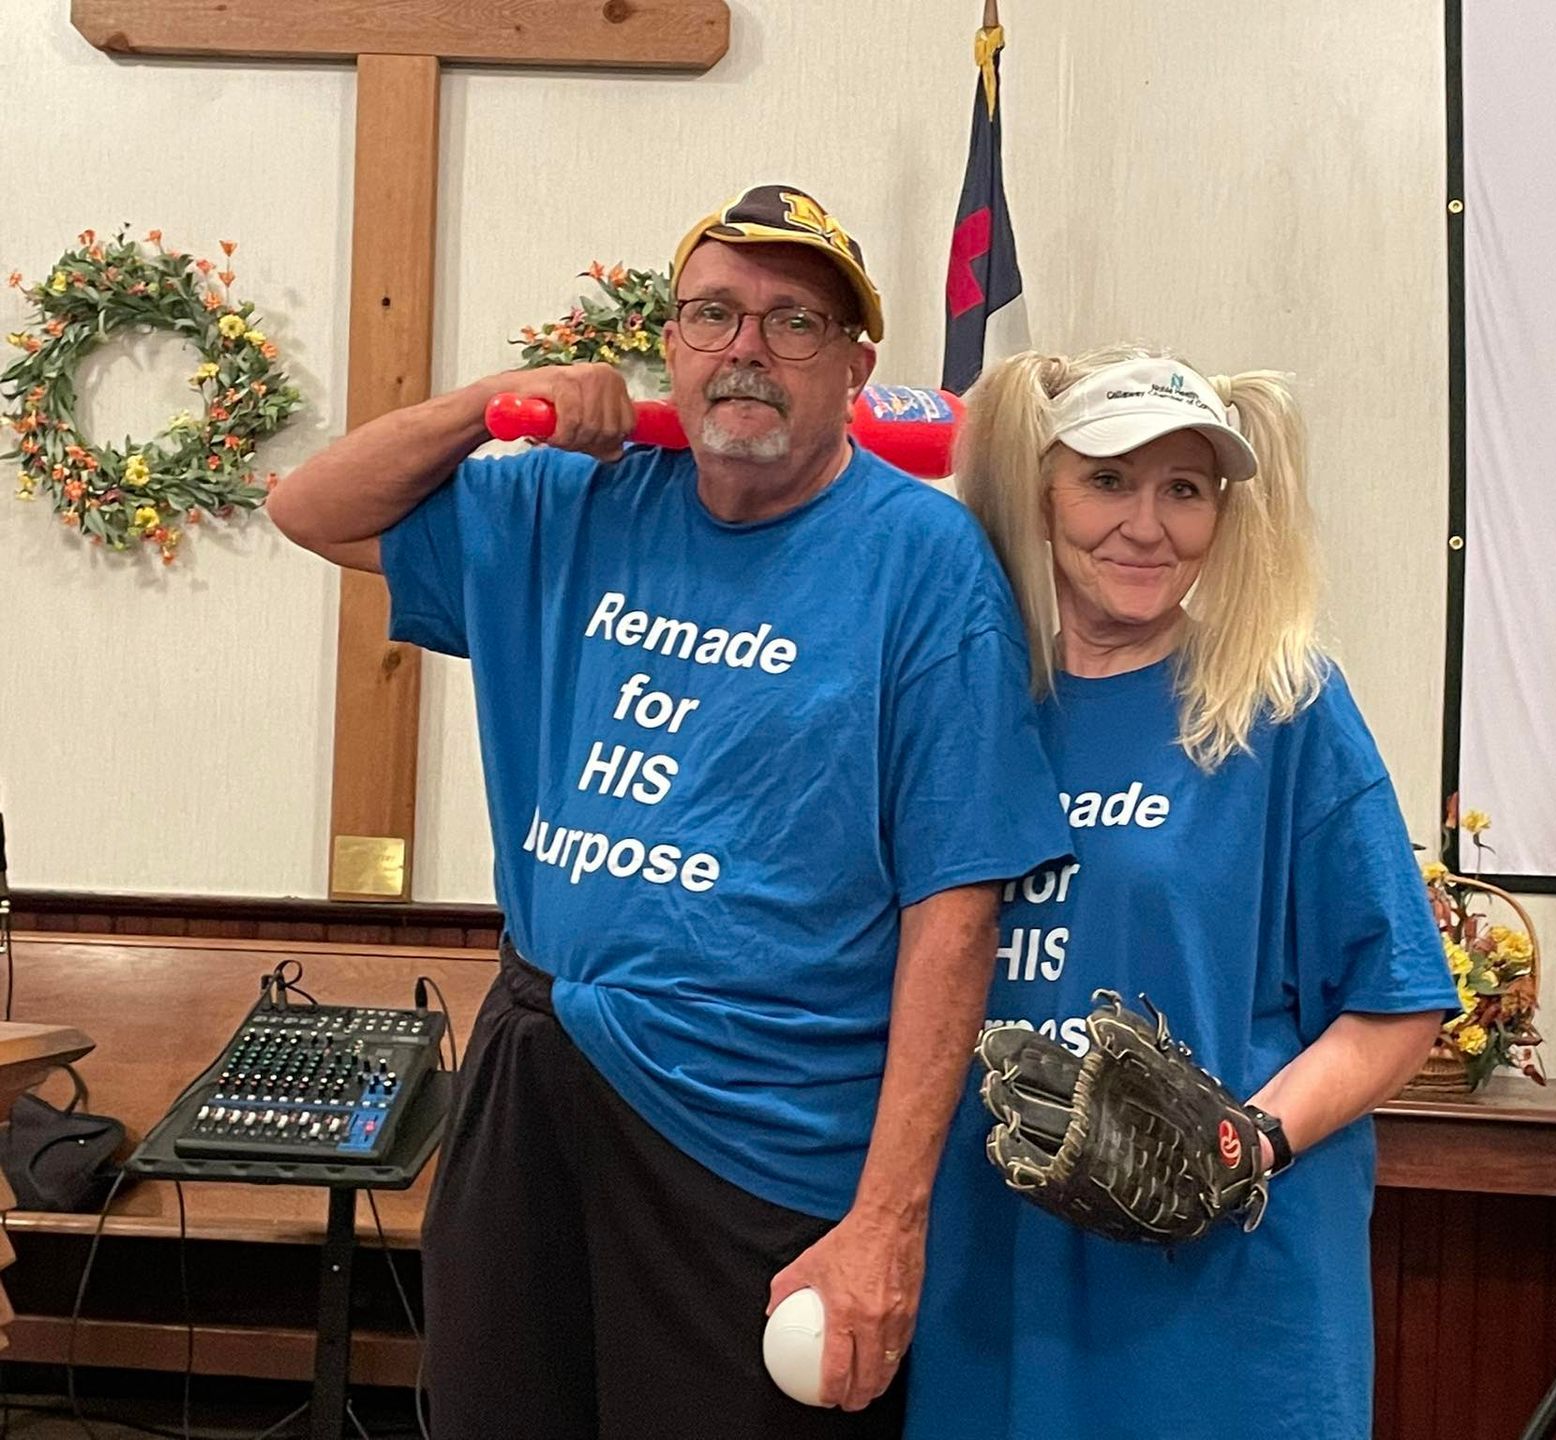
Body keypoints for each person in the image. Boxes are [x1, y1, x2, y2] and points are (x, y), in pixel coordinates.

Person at [266, 184, 1072, 1439]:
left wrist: (886, 1222)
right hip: (537, 1080)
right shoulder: (563, 504)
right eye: (714, 314)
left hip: (758, 1131)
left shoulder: (922, 560)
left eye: (794, 322)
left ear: (856, 364)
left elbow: (956, 907)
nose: (746, 348)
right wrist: (494, 403)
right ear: (673, 344)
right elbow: (312, 507)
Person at [904, 347, 1458, 1439]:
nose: (1147, 526)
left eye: (1186, 490)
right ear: (1041, 491)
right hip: (997, 1266)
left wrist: (1245, 1145)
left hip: (1216, 1290)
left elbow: (1400, 1007)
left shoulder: (1279, 706)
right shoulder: (968, 698)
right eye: (1108, 480)